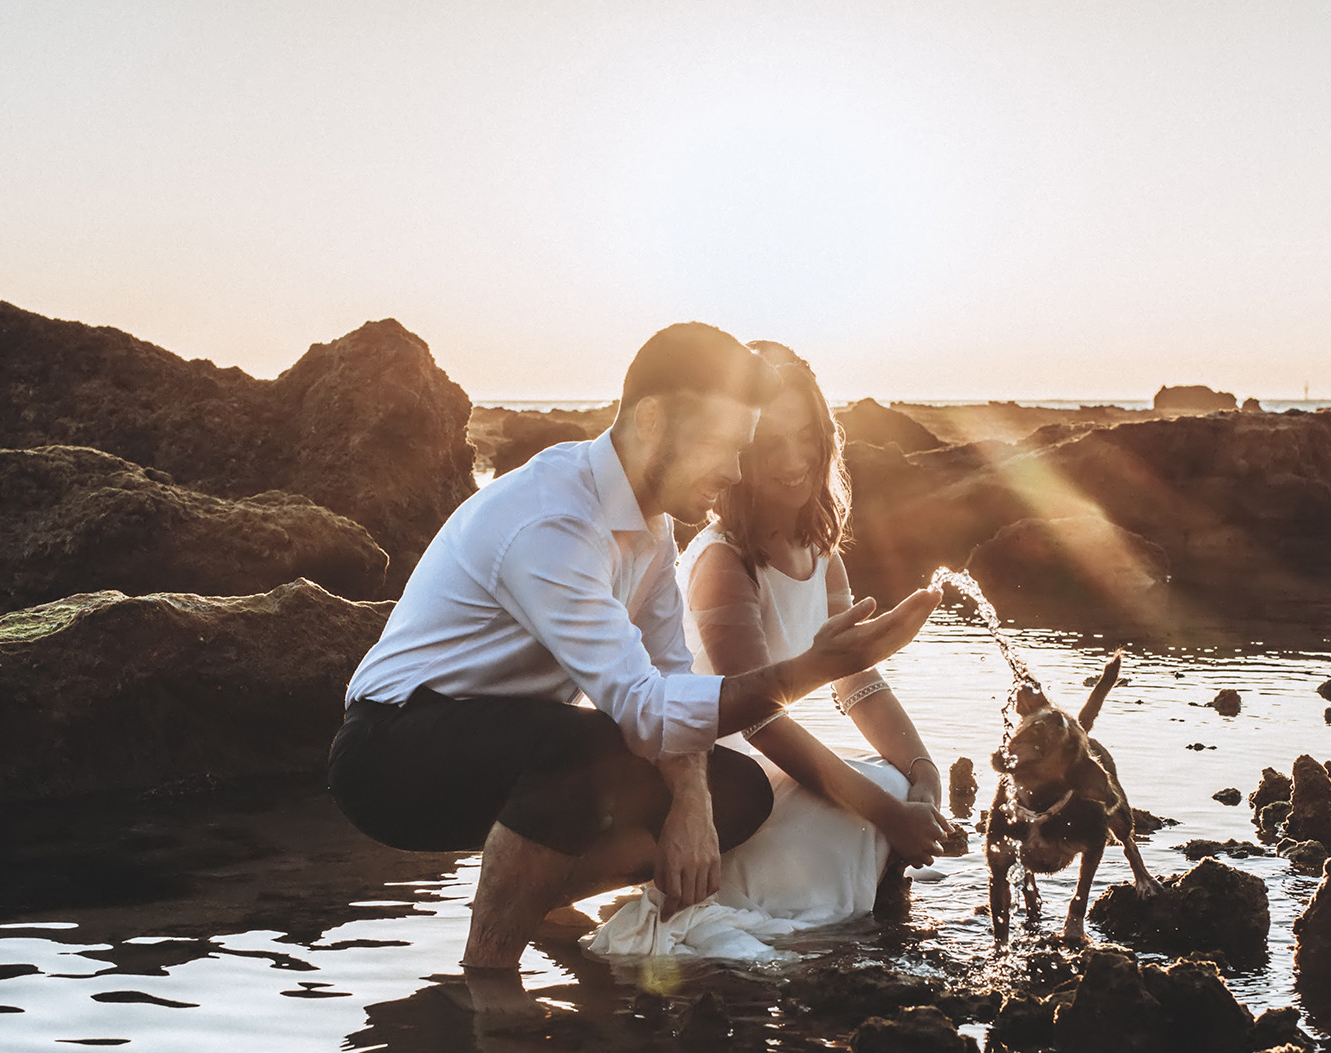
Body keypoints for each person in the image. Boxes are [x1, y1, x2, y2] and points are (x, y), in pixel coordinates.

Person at [327, 323, 940, 1002]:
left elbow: (672, 680)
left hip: (508, 738)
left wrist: (694, 805)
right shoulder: (555, 520)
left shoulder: (650, 533)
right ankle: (490, 974)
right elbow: (641, 708)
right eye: (721, 446)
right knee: (578, 747)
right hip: (392, 751)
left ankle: (534, 897)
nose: (735, 473)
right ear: (653, 421)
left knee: (741, 793)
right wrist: (815, 668)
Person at [585, 342, 955, 961]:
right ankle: (832, 937)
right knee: (863, 815)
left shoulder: (822, 553)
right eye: (769, 445)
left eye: (806, 436)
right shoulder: (725, 560)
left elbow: (859, 684)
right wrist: (892, 817)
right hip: (721, 776)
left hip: (768, 757)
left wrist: (923, 773)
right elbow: (760, 720)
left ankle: (875, 925)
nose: (793, 460)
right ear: (739, 456)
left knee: (889, 778)